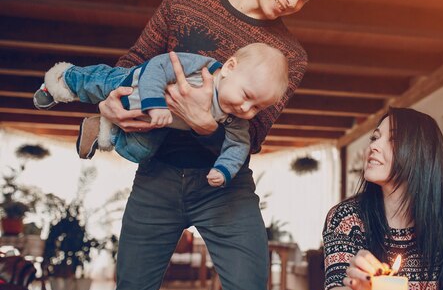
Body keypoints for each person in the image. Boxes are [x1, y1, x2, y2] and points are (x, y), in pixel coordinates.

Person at [92, 0, 334, 290]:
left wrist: (206, 125)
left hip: (227, 188)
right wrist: (109, 102)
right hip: (157, 176)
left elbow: (253, 135)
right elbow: (134, 64)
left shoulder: (290, 56)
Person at [314, 107, 443, 290]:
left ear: (420, 153)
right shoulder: (347, 217)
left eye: (392, 140)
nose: (373, 146)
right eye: (375, 137)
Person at [33, 43, 288, 187]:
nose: (246, 109)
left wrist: (224, 169)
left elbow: (239, 145)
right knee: (94, 83)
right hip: (131, 86)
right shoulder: (202, 68)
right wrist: (156, 103)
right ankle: (59, 80)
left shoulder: (233, 117)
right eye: (246, 95)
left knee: (140, 151)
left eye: (256, 107)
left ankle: (101, 128)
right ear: (231, 67)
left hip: (151, 125)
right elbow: (159, 65)